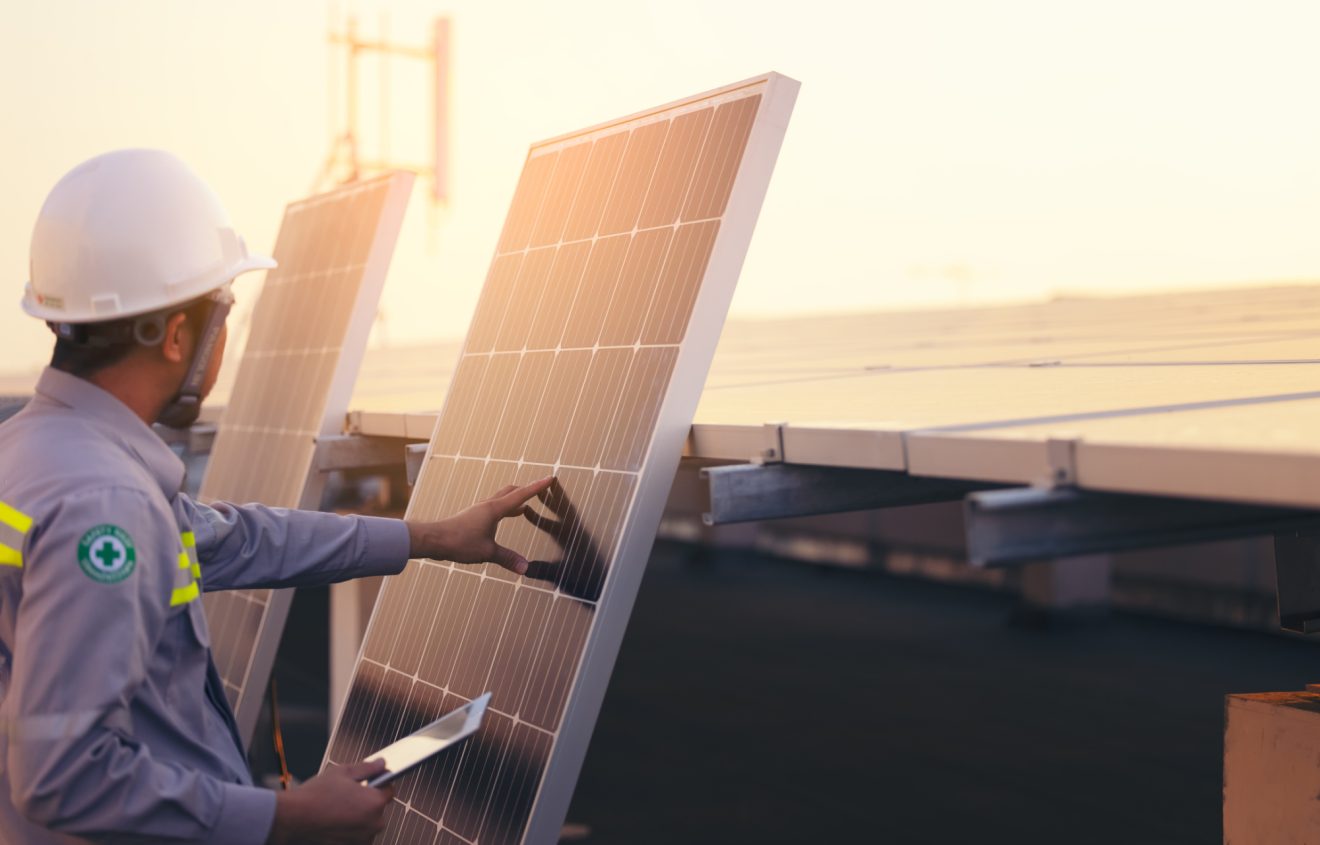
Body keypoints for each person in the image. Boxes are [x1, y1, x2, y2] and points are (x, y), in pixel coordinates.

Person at [0, 149, 550, 844]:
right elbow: (65, 779)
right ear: (177, 337)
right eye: (223, 312)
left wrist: (432, 536)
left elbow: (238, 538)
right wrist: (288, 816)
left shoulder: (32, 453)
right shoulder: (106, 503)